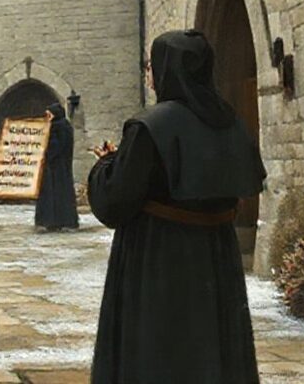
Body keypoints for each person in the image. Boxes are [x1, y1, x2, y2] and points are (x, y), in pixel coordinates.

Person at [88, 30, 266, 384]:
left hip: (158, 259)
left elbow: (116, 200)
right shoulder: (231, 123)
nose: (150, 76)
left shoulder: (151, 125)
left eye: (151, 67)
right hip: (216, 261)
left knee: (162, 351)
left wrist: (105, 166)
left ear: (167, 70)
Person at [35, 103, 79, 232]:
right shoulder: (63, 126)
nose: (47, 117)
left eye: (49, 114)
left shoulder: (59, 127)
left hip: (56, 168)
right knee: (58, 193)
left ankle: (55, 221)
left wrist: (44, 151)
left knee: (56, 194)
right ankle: (57, 221)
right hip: (56, 168)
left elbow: (56, 146)